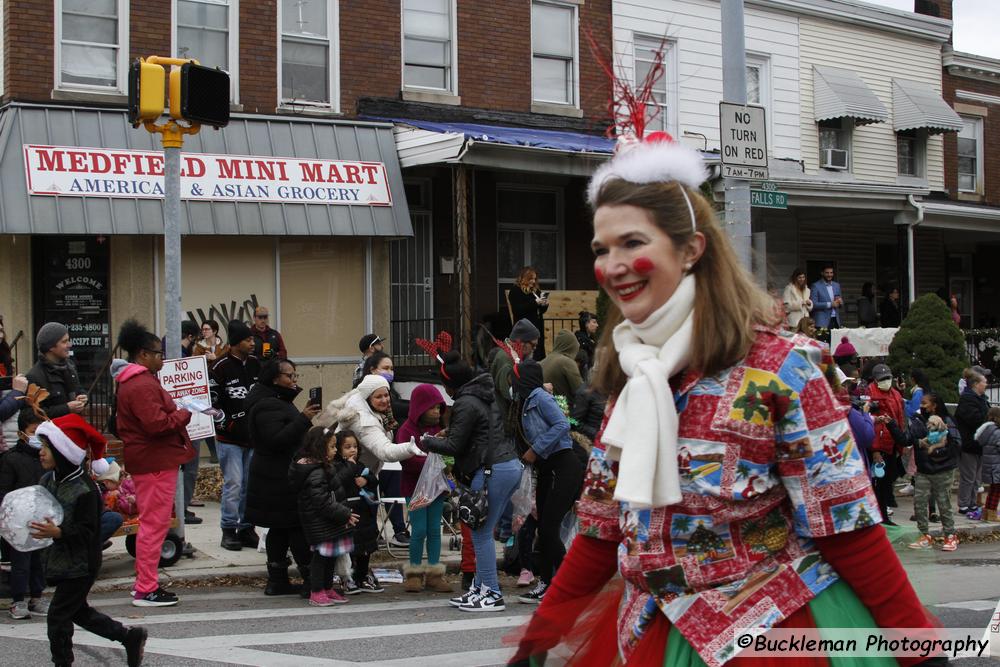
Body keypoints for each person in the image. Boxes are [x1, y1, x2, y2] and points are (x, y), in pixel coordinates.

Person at [511, 135, 938, 666]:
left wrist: (920, 648)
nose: (613, 266)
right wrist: (538, 639)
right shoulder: (635, 376)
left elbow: (846, 525)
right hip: (650, 633)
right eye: (603, 249)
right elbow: (600, 534)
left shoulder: (784, 368)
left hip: (770, 635)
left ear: (691, 248)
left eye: (633, 243)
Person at [31, 420, 147, 666]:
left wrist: (58, 532)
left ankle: (62, 662)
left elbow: (88, 532)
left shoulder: (86, 489)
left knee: (58, 616)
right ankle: (129, 637)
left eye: (46, 447)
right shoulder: (47, 480)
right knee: (78, 612)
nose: (40, 451)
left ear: (63, 452)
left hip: (83, 563)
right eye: (41, 445)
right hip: (60, 560)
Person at [420, 351, 521, 612]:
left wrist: (427, 441)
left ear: (451, 384)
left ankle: (491, 592)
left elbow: (454, 445)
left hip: (490, 470)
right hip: (505, 465)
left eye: (443, 385)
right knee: (482, 530)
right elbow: (477, 433)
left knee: (481, 532)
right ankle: (479, 587)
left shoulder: (465, 402)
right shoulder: (482, 395)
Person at [114, 319, 193, 607]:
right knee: (154, 524)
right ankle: (146, 588)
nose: (162, 358)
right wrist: (184, 413)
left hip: (151, 459)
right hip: (155, 460)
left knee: (153, 524)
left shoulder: (135, 382)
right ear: (142, 355)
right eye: (158, 353)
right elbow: (157, 424)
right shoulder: (141, 384)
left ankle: (145, 586)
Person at [244, 359, 322, 596]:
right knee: (294, 527)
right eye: (290, 376)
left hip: (276, 475)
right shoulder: (268, 405)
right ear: (275, 379)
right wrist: (304, 418)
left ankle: (278, 580)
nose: (294, 380)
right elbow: (275, 439)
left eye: (295, 375)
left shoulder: (276, 401)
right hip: (278, 478)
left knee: (279, 528)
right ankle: (310, 579)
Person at [513, 359, 584, 605]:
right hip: (546, 469)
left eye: (515, 376)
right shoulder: (524, 401)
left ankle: (566, 583)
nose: (513, 381)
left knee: (548, 529)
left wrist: (536, 449)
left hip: (562, 466)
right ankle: (547, 583)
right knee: (544, 528)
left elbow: (562, 424)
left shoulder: (540, 398)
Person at [288, 426, 358, 607]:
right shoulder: (316, 472)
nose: (335, 450)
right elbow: (322, 501)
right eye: (332, 447)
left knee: (331, 557)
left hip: (330, 521)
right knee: (321, 558)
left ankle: (327, 588)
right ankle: (317, 591)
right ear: (320, 448)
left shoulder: (323, 467)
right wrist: (345, 514)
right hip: (320, 522)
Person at [211, 320, 262, 551]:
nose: (252, 343)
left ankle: (246, 528)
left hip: (253, 437)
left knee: (250, 485)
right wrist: (227, 423)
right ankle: (228, 529)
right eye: (248, 339)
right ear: (235, 343)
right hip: (229, 440)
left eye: (252, 339)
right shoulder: (219, 367)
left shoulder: (255, 364)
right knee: (234, 484)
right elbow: (210, 405)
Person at [397, 384, 452, 593]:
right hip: (415, 489)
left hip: (436, 489)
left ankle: (435, 576)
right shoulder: (406, 431)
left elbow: (446, 455)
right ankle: (414, 574)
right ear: (420, 407)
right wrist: (435, 463)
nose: (437, 412)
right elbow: (408, 461)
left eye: (439, 408)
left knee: (434, 531)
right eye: (433, 408)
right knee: (419, 530)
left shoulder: (437, 431)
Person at [360, 351, 410, 546]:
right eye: (385, 368)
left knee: (393, 485)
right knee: (370, 494)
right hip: (368, 459)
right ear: (372, 370)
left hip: (387, 454)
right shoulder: (361, 396)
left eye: (391, 368)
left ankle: (399, 529)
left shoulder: (390, 393)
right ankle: (372, 531)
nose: (390, 372)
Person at [0, 408, 45, 619]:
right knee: (21, 562)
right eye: (34, 431)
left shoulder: (46, 457)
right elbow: (4, 491)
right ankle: (18, 601)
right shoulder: (10, 459)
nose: (39, 437)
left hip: (41, 518)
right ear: (22, 434)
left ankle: (37, 596)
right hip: (19, 520)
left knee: (38, 560)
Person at [901, 392, 960, 551]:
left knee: (943, 503)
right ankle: (924, 535)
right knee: (919, 502)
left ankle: (950, 535)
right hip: (923, 470)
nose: (922, 406)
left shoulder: (947, 421)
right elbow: (908, 439)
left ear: (934, 405)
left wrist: (939, 453)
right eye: (921, 403)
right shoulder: (918, 420)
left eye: (925, 403)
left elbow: (956, 443)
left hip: (943, 470)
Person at [334, 430, 383, 594]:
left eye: (355, 446)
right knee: (349, 548)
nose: (352, 450)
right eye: (347, 447)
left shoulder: (360, 464)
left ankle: (362, 576)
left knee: (365, 547)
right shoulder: (337, 466)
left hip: (364, 512)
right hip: (348, 511)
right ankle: (347, 576)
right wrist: (350, 466)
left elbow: (373, 478)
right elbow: (339, 481)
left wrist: (366, 479)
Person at [867, 363, 907, 525]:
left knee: (887, 480)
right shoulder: (870, 394)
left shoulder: (895, 394)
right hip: (880, 443)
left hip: (892, 443)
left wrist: (901, 443)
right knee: (879, 483)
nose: (886, 381)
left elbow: (900, 419)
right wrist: (875, 449)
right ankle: (880, 516)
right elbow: (871, 424)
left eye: (888, 378)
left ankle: (883, 515)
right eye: (882, 379)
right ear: (875, 380)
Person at [26, 322, 86, 419]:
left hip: (73, 427)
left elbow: (78, 390)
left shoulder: (70, 366)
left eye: (68, 340)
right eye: (64, 341)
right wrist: (66, 408)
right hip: (53, 431)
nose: (69, 344)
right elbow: (32, 414)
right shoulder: (34, 376)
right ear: (51, 347)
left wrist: (83, 398)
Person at [955, 370, 990, 516]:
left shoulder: (982, 399)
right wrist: (989, 418)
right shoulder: (968, 399)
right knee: (968, 476)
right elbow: (974, 419)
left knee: (977, 477)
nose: (986, 384)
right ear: (976, 384)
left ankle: (972, 503)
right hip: (969, 443)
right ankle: (964, 504)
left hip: (980, 444)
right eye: (984, 381)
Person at [192, 320, 227, 464]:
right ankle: (213, 452)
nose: (204, 332)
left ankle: (222, 449)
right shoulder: (198, 348)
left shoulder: (224, 346)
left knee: (221, 416)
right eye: (203, 329)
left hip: (221, 387)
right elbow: (194, 365)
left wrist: (214, 358)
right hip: (205, 387)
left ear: (214, 331)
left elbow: (226, 361)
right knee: (208, 417)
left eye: (207, 329)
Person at [507, 267, 549, 361]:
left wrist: (544, 304)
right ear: (524, 278)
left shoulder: (535, 291)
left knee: (539, 354)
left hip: (537, 327)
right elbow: (517, 310)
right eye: (531, 279)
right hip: (524, 330)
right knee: (526, 356)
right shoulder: (515, 291)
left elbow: (540, 311)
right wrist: (535, 303)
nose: (533, 281)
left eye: (534, 279)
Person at [539, 329, 583, 409]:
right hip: (563, 412)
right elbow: (580, 391)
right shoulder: (566, 362)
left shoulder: (542, 362)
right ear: (572, 347)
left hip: (544, 410)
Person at [975, 407, 1000, 523]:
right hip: (997, 465)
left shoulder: (987, 430)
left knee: (992, 490)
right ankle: (992, 513)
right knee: (996, 491)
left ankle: (987, 512)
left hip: (990, 464)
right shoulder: (997, 432)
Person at [810, 263, 843, 330]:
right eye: (827, 273)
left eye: (831, 273)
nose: (829, 275)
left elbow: (839, 302)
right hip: (822, 322)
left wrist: (841, 302)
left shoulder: (837, 285)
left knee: (835, 340)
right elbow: (813, 304)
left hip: (836, 320)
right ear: (822, 273)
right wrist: (830, 304)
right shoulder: (815, 286)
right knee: (822, 340)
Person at [574, 312, 598, 379]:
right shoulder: (580, 340)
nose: (597, 325)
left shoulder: (591, 339)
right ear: (586, 324)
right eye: (594, 322)